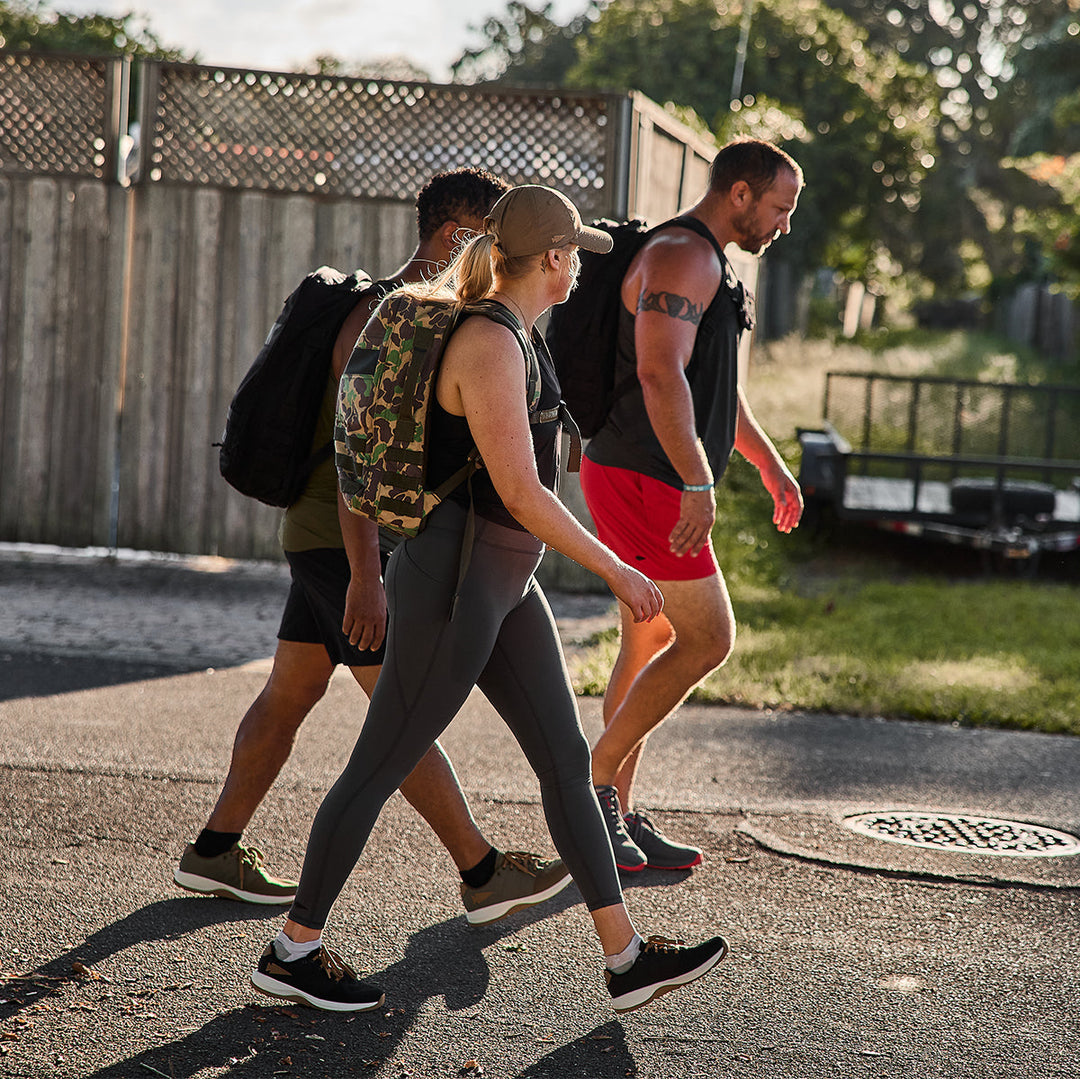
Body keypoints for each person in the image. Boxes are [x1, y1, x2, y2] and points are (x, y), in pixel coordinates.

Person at [250, 184, 729, 1015]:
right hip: (456, 584)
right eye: (573, 250)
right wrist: (619, 568)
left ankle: (624, 958)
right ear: (550, 259)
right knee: (381, 760)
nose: (579, 263)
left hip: (507, 586)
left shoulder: (515, 334)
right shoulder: (487, 342)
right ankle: (293, 947)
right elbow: (523, 491)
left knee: (567, 768)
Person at [175, 168, 572, 928]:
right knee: (402, 712)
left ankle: (214, 848)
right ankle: (481, 869)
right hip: (343, 544)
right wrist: (367, 575)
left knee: (291, 691)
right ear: (460, 236)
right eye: (491, 233)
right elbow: (357, 451)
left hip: (333, 541)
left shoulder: (437, 313)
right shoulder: (388, 313)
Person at [579, 138, 805, 872]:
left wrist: (771, 467)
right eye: (780, 208)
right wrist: (699, 481)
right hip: (643, 474)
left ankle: (619, 810)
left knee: (646, 642)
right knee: (708, 638)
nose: (784, 225)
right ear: (740, 193)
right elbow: (657, 370)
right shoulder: (683, 255)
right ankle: (595, 793)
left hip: (643, 471)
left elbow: (713, 388)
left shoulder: (712, 262)